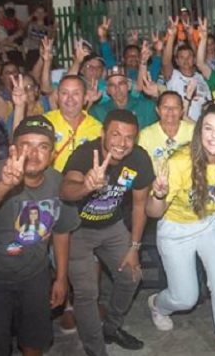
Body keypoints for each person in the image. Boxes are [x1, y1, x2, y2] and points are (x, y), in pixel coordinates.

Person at [0, 116, 80, 356]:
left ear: (52, 154)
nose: (33, 153)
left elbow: (62, 231)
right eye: (26, 145)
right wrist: (4, 185)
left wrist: (61, 278)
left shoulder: (57, 181)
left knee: (35, 339)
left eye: (42, 146)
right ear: (13, 149)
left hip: (32, 272)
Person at [145, 102, 215, 356]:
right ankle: (158, 303)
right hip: (176, 229)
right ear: (199, 131)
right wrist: (158, 195)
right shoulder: (180, 162)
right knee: (185, 298)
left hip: (211, 225)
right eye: (208, 128)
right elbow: (153, 212)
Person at [60, 109, 155, 355]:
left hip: (112, 226)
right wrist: (85, 186)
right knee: (87, 293)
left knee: (131, 276)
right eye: (115, 134)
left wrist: (134, 248)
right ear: (103, 133)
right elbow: (65, 189)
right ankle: (96, 349)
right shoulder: (85, 154)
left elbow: (139, 206)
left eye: (129, 137)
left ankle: (111, 328)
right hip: (77, 230)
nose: (121, 143)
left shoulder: (139, 159)